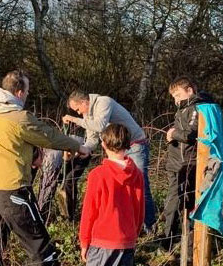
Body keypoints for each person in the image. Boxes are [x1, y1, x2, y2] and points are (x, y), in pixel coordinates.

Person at [0, 70, 90, 266]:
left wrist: (30, 154)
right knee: (36, 236)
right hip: (13, 188)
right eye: (27, 92)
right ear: (19, 92)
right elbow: (49, 136)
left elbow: (11, 143)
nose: (27, 96)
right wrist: (78, 147)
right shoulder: (20, 118)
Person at [63, 123, 144, 266]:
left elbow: (89, 212)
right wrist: (133, 233)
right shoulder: (136, 174)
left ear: (104, 145)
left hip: (103, 242)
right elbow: (139, 210)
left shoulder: (98, 175)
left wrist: (84, 241)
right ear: (128, 144)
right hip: (127, 241)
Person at [62, 91, 155, 232]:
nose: (79, 113)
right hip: (117, 150)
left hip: (135, 145)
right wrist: (82, 149)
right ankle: (129, 225)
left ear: (84, 102)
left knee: (140, 187)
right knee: (121, 189)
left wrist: (75, 120)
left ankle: (149, 227)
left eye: (78, 110)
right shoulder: (88, 115)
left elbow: (100, 125)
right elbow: (92, 139)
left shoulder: (103, 102)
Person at [161, 76, 214, 251]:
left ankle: (176, 243)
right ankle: (175, 239)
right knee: (175, 204)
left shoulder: (196, 108)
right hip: (176, 163)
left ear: (190, 90)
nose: (175, 100)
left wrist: (173, 133)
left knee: (179, 204)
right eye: (173, 97)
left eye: (178, 95)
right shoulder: (184, 108)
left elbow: (191, 134)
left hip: (186, 165)